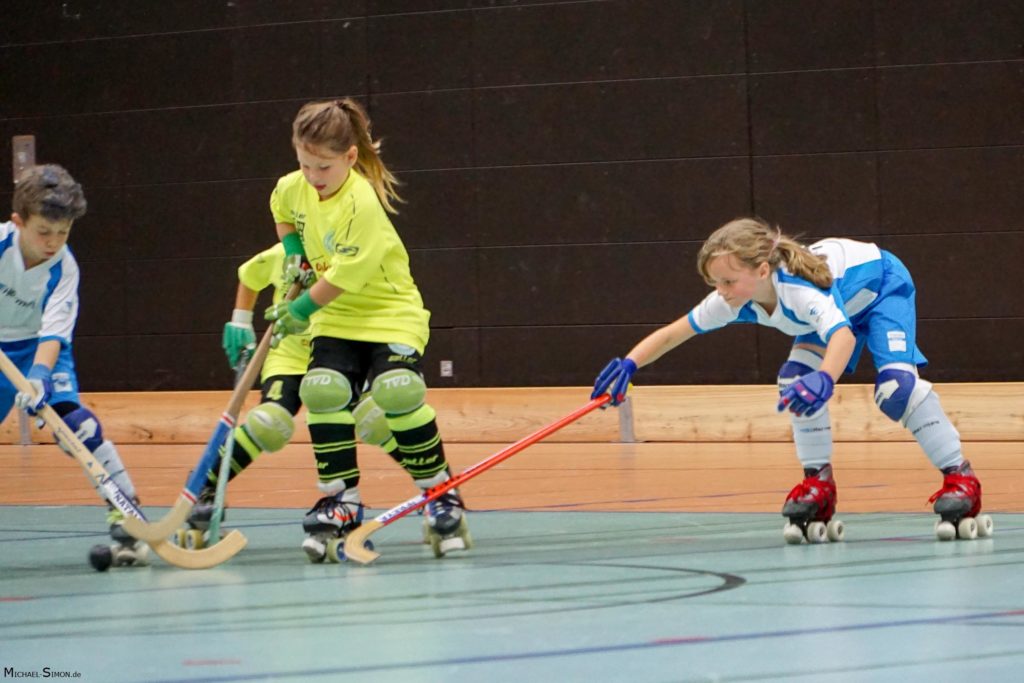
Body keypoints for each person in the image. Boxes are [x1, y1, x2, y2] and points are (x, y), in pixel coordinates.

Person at [591, 217, 992, 543]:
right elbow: (673, 333)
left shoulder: (800, 291)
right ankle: (818, 484)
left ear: (762, 270)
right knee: (794, 382)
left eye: (727, 281)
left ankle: (960, 477)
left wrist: (826, 379)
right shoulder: (731, 298)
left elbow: (842, 336)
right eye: (715, 283)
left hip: (881, 291)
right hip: (836, 310)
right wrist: (630, 365)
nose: (720, 291)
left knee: (895, 390)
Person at [262, 98, 471, 559]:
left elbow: (344, 277)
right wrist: (294, 254)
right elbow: (283, 211)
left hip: (388, 312)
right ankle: (342, 500)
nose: (313, 176)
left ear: (350, 156)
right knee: (321, 390)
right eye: (305, 164)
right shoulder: (293, 187)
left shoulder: (361, 203)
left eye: (324, 167)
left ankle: (439, 493)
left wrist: (298, 310)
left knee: (397, 391)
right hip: (336, 317)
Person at [187, 243, 403, 562]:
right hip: (289, 358)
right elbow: (249, 275)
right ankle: (205, 486)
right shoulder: (284, 253)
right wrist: (240, 320)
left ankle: (438, 491)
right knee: (269, 423)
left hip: (340, 357)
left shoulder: (350, 255)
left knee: (375, 420)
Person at [0, 164, 148, 565]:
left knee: (78, 428)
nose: (53, 243)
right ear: (18, 222)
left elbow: (53, 333)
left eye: (63, 233)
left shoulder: (65, 268)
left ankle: (127, 514)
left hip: (39, 348)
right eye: (43, 232)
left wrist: (39, 376)